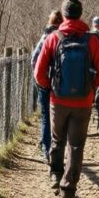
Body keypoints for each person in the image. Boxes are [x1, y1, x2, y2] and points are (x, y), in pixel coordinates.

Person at [35, 0, 99, 198]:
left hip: (58, 101)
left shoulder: (53, 38)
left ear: (64, 16)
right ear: (81, 14)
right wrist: (90, 89)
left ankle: (55, 175)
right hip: (83, 102)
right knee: (76, 145)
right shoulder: (91, 40)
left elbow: (39, 72)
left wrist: (51, 88)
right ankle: (69, 189)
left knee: (58, 140)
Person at [31, 10, 63, 161]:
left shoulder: (46, 37)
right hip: (62, 84)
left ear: (50, 21)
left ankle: (46, 149)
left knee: (46, 116)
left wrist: (42, 82)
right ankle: (59, 150)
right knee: (59, 117)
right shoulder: (64, 37)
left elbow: (33, 60)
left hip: (45, 83)